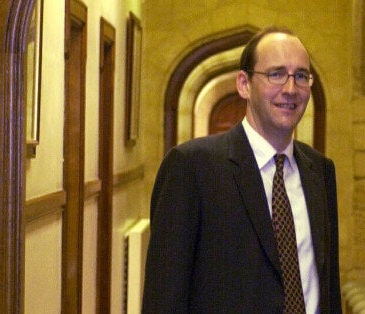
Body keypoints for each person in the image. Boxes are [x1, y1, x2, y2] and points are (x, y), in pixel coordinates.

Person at [142, 26, 341, 313]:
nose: (290, 89)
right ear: (244, 84)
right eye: (275, 74)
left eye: (300, 76)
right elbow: (164, 298)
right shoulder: (192, 168)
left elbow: (328, 289)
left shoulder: (320, 171)